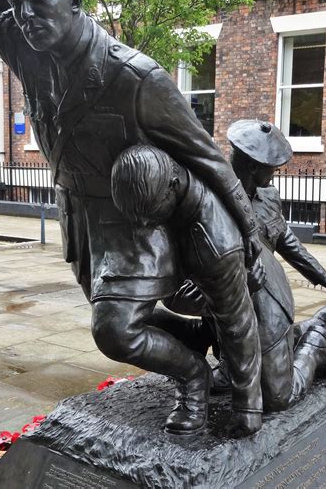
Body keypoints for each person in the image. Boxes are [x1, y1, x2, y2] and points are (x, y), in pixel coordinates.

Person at [0, 0, 262, 436]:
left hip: (132, 219)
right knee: (114, 319)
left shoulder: (137, 78)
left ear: (75, 0)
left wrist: (247, 230)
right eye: (16, 4)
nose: (25, 13)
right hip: (78, 215)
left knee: (115, 331)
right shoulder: (27, 46)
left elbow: (208, 157)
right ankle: (194, 338)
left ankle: (193, 376)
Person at [166, 120, 326, 411]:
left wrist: (321, 275)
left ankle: (317, 346)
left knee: (276, 397)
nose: (277, 172)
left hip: (268, 301)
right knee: (235, 372)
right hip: (229, 306)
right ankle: (319, 323)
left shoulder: (268, 197)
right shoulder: (208, 201)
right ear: (255, 167)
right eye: (273, 166)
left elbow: (287, 240)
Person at [111, 144, 263, 434]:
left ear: (173, 185)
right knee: (122, 322)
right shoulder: (158, 188)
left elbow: (240, 323)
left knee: (278, 393)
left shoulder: (216, 242)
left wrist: (247, 406)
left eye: (152, 213)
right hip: (208, 294)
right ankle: (198, 335)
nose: (144, 225)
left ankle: (322, 336)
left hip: (251, 305)